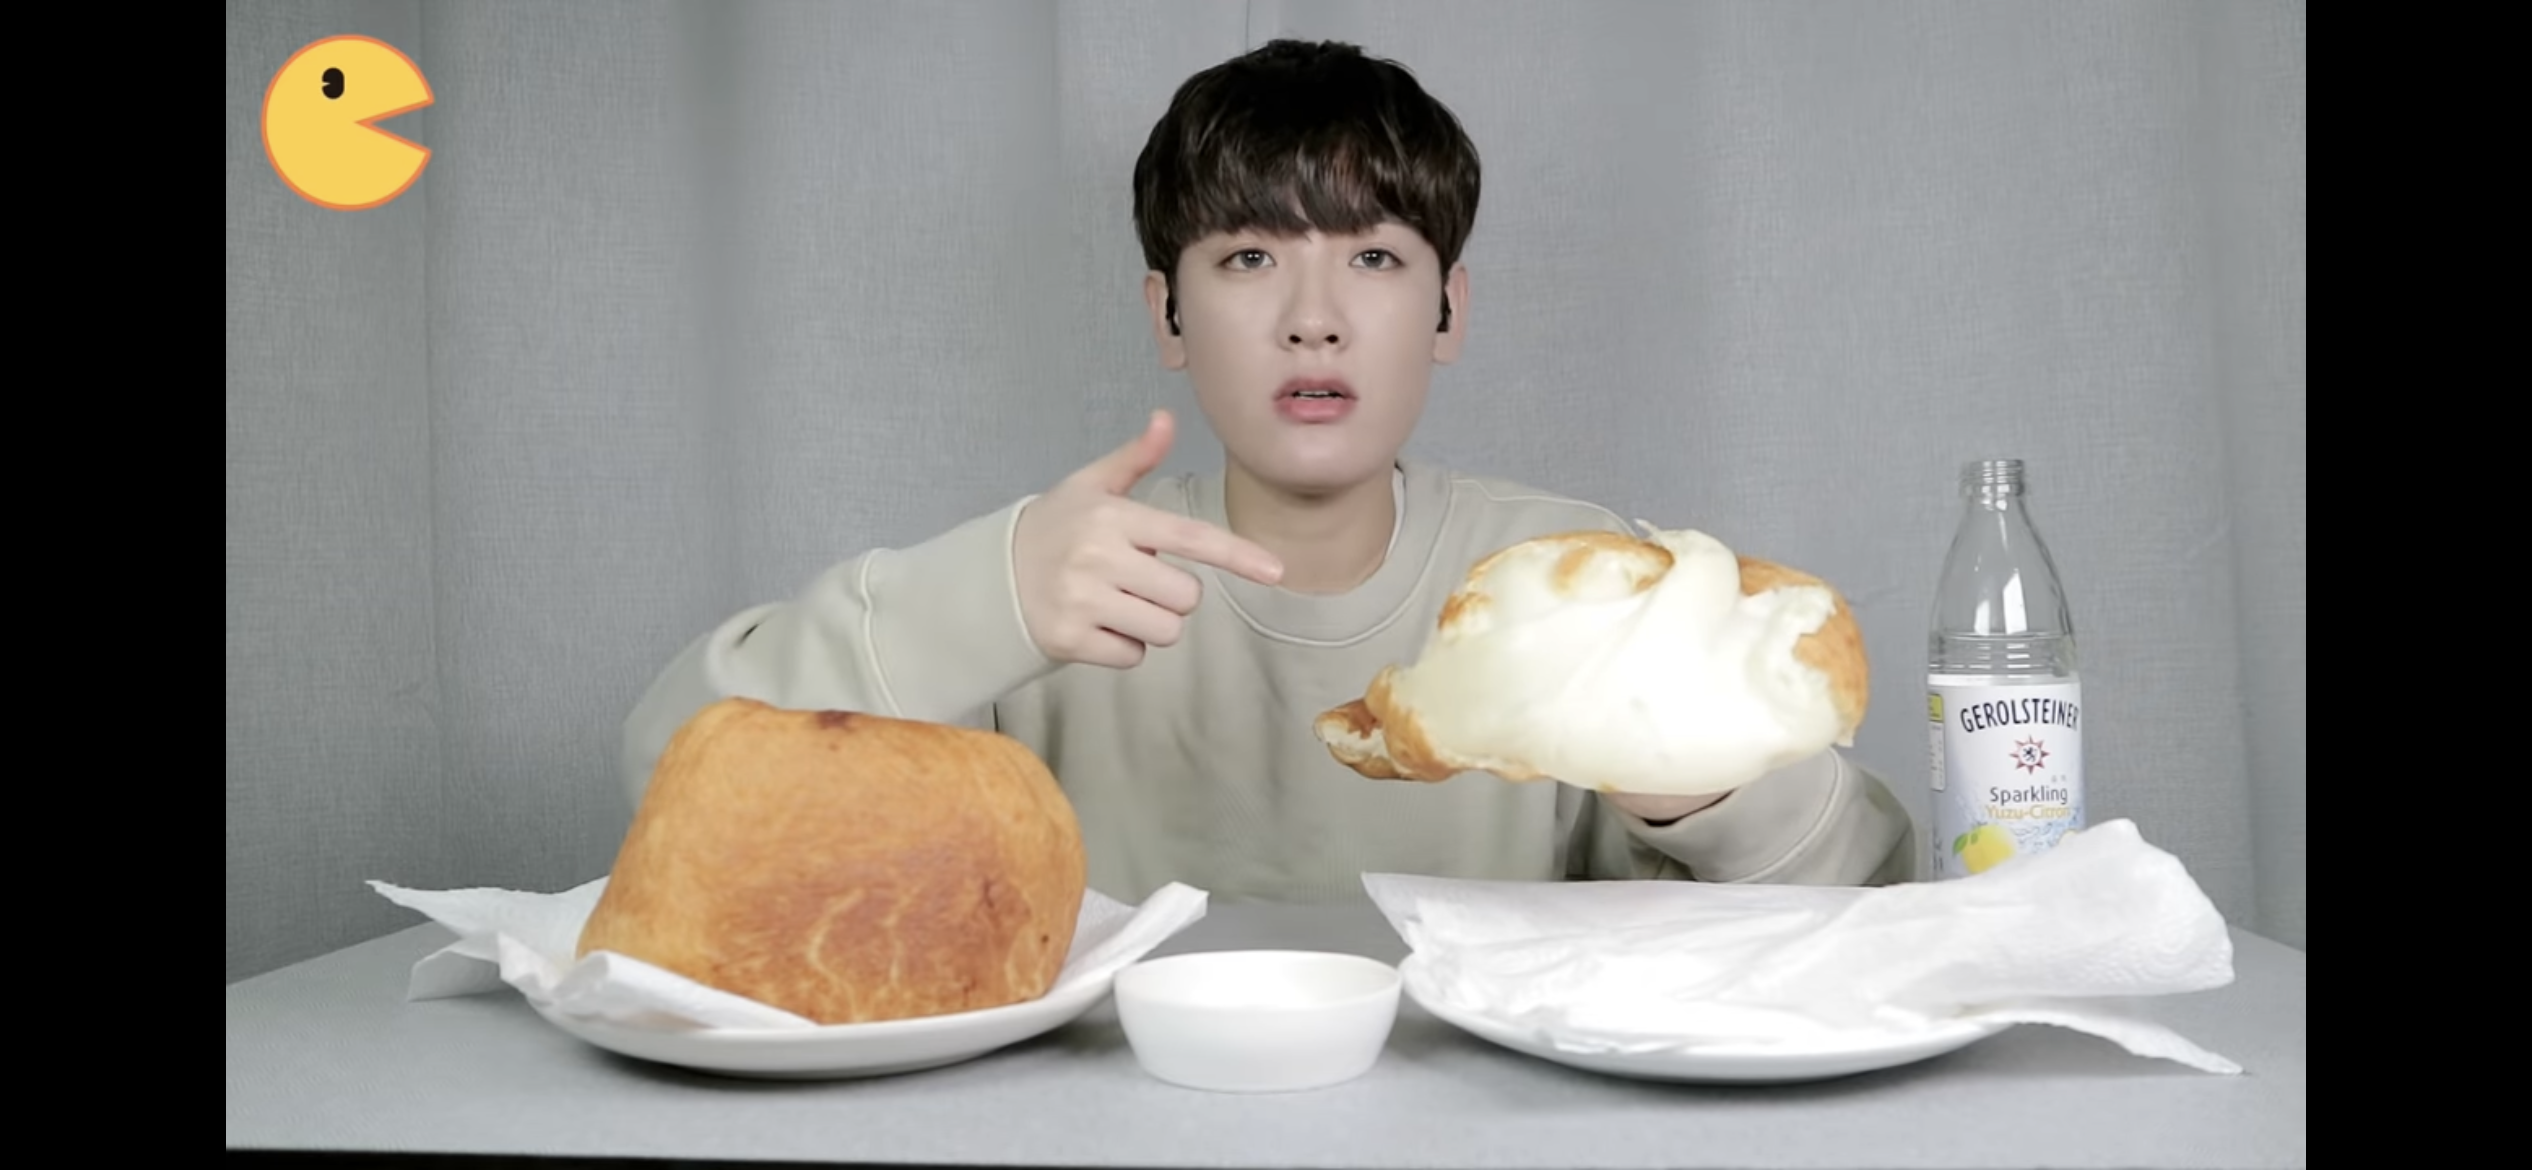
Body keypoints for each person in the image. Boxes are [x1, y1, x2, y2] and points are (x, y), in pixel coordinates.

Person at [619, 38, 1914, 904]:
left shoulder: (1571, 583)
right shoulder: (1063, 584)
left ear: (1449, 310)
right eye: (1248, 259)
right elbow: (676, 784)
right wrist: (982, 600)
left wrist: (1703, 779)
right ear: (1168, 315)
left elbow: (1868, 900)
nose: (1314, 319)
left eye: (1374, 258)